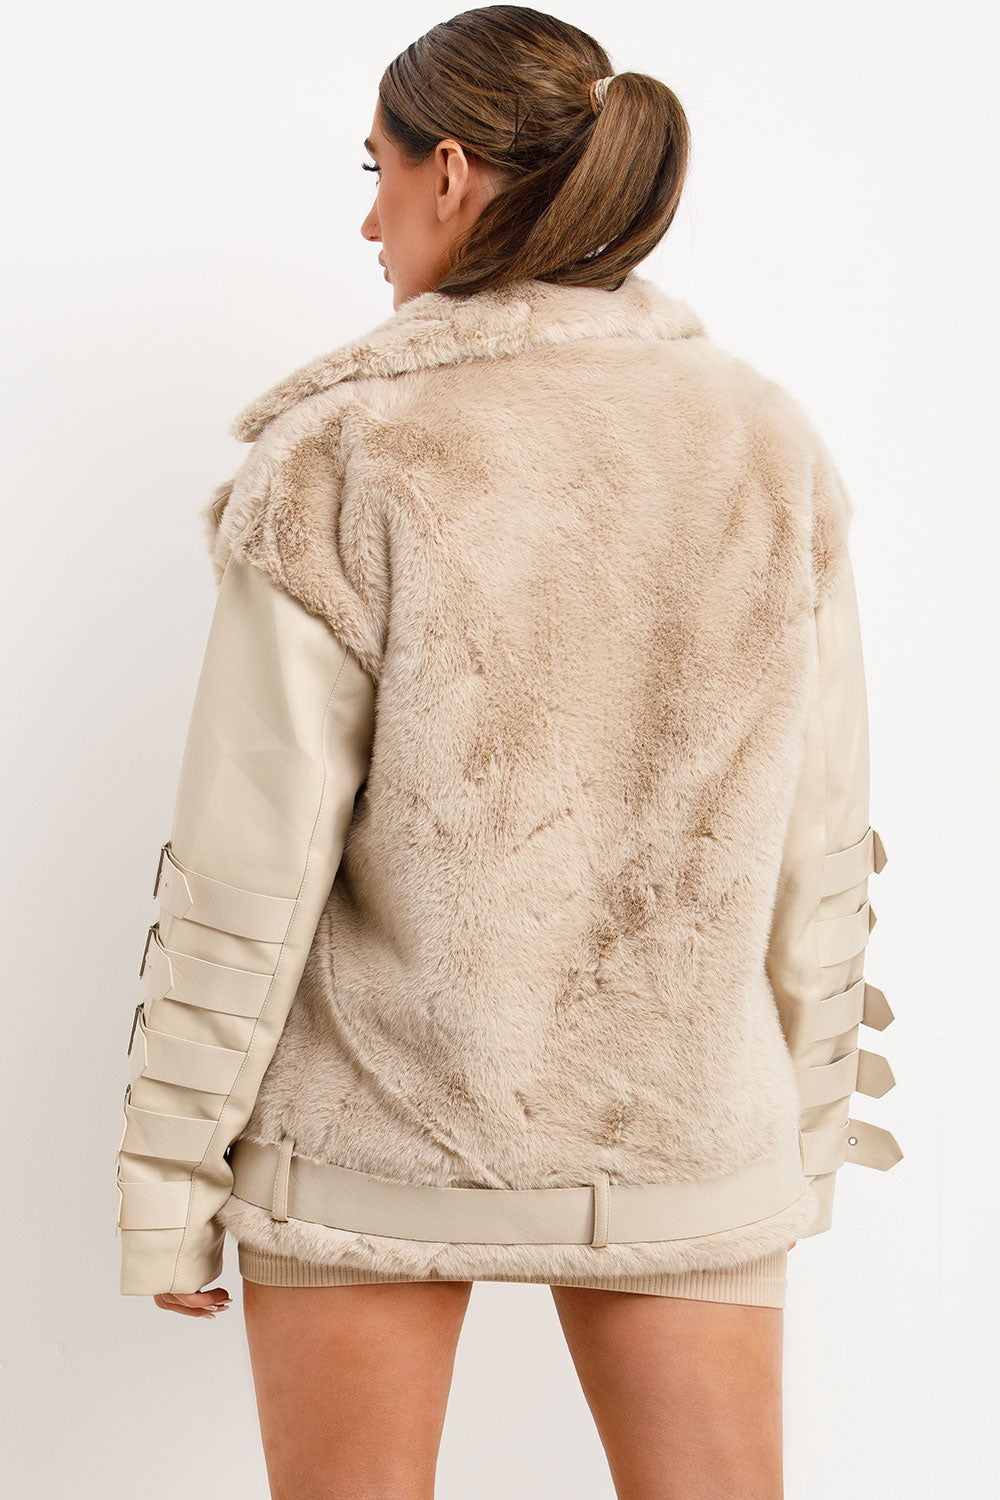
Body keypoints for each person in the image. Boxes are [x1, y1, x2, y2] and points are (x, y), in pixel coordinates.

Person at [113, 7, 902, 1496]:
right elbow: (820, 839)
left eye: (378, 171)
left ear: (453, 174)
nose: (370, 221)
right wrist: (786, 1152)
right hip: (683, 1133)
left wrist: (169, 1182)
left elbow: (249, 861)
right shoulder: (764, 443)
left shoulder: (345, 449)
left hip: (368, 1141)